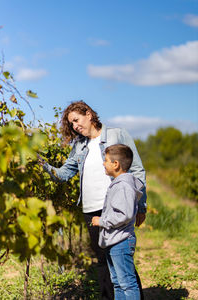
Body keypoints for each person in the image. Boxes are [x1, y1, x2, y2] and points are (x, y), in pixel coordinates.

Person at [39, 100, 146, 300]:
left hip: (114, 209)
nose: (75, 126)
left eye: (76, 120)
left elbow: (137, 170)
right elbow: (63, 174)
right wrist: (41, 164)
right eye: (71, 124)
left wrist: (141, 205)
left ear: (88, 114)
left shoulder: (117, 134)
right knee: (103, 261)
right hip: (91, 209)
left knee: (121, 259)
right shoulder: (79, 145)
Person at [92, 144, 143, 300]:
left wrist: (102, 220)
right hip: (114, 240)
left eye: (106, 160)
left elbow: (124, 214)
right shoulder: (119, 184)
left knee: (127, 283)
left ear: (116, 164)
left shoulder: (123, 186)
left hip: (121, 241)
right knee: (118, 283)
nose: (103, 163)